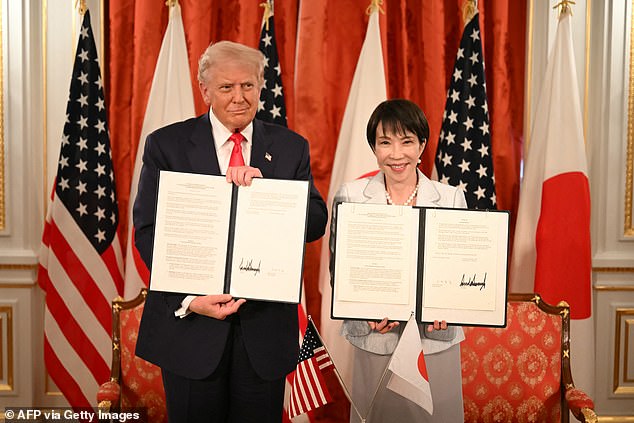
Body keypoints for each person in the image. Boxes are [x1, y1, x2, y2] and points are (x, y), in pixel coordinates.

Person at [133, 40, 328, 422]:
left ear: (260, 87)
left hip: (263, 333)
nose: (239, 97)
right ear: (205, 90)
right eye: (226, 87)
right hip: (191, 329)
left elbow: (316, 221)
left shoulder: (290, 148)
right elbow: (148, 232)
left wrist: (268, 191)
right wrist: (191, 298)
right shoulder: (166, 146)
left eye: (248, 86)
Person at [329, 99, 466, 422]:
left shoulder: (451, 198)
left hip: (434, 341)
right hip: (376, 338)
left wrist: (449, 307)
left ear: (422, 145)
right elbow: (342, 275)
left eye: (407, 142)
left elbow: (461, 274)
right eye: (385, 142)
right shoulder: (351, 196)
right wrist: (365, 314)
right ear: (374, 148)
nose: (396, 154)